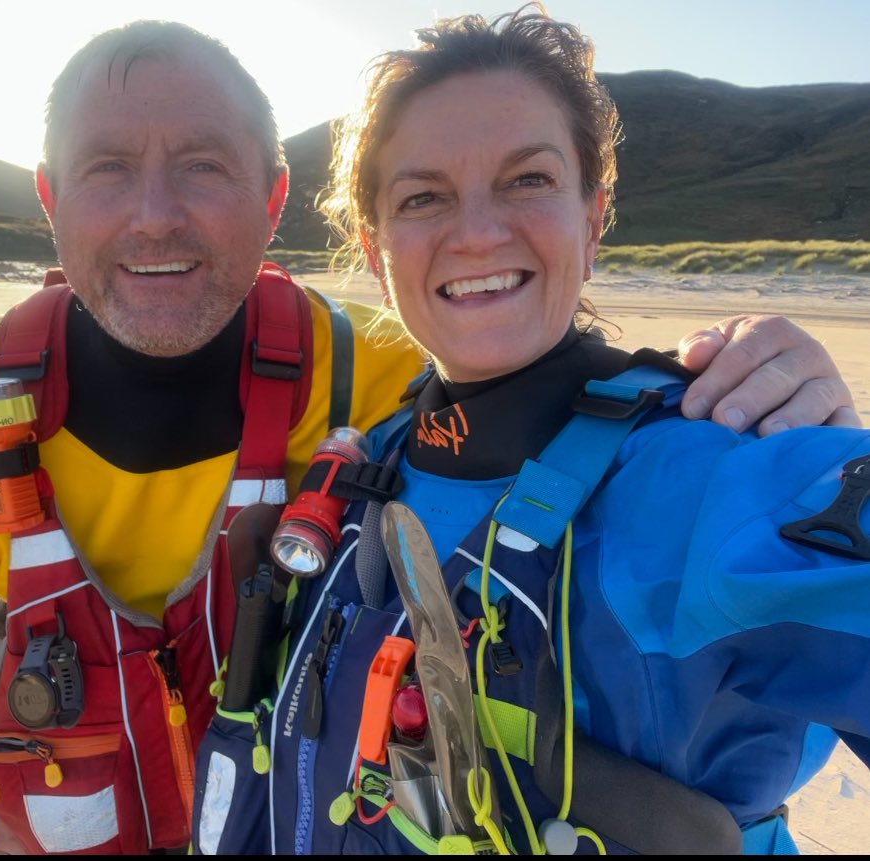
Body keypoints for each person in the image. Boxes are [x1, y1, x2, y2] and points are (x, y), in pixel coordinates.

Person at [0, 17, 859, 857]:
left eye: (204, 163)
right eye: (108, 168)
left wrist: (757, 378)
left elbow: (545, 366)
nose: (156, 213)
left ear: (275, 196)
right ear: (51, 200)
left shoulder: (371, 378)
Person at [190, 5, 870, 856]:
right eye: (424, 195)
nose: (476, 232)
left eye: (528, 180)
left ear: (593, 217)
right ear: (374, 246)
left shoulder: (707, 477)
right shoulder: (382, 456)